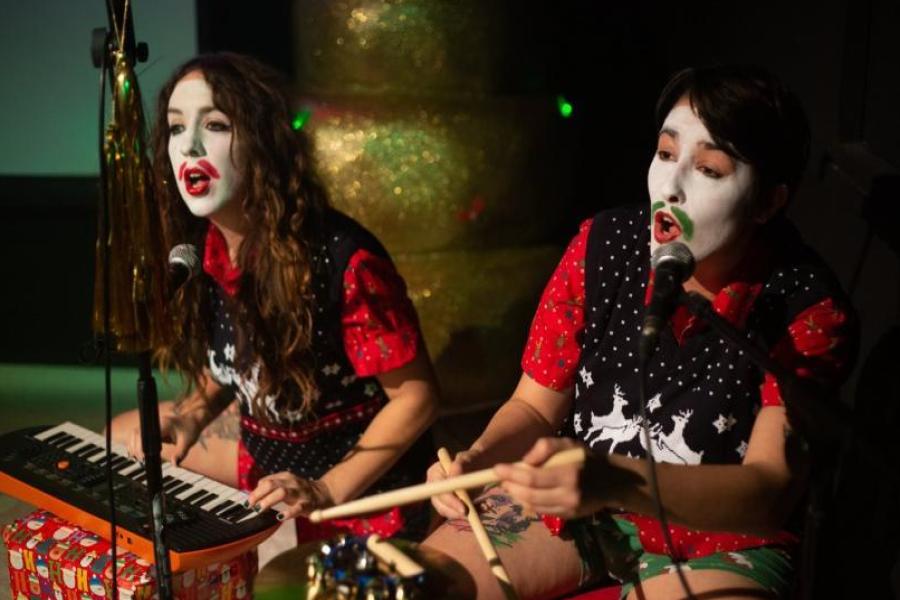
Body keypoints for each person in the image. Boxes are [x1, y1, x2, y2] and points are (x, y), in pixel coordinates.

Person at [422, 65, 858, 599]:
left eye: (709, 170)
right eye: (667, 154)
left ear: (769, 201)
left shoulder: (804, 305)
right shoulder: (603, 244)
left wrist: (614, 480)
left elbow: (769, 491)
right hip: (581, 503)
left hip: (718, 537)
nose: (669, 187)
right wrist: (477, 460)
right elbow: (535, 408)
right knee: (417, 584)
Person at [110, 52, 439, 541]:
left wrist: (326, 489)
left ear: (264, 144)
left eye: (216, 125)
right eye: (176, 129)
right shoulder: (205, 248)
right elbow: (231, 364)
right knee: (121, 434)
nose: (190, 146)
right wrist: (192, 415)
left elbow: (416, 398)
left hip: (361, 495)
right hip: (268, 460)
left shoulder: (344, 260)